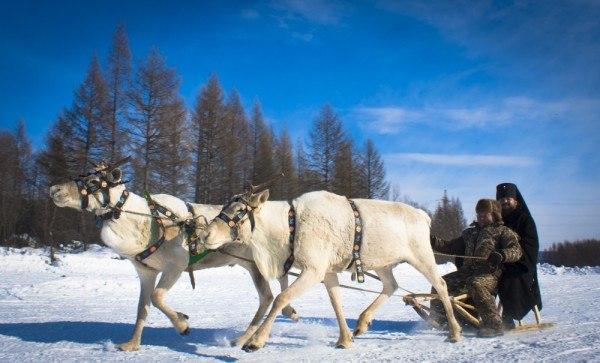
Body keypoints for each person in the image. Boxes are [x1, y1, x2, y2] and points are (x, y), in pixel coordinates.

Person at [430, 199, 522, 337]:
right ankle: (441, 319)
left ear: (494, 214)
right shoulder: (469, 233)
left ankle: (494, 325)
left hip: (490, 275)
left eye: (485, 215)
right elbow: (449, 246)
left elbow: (517, 250)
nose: (481, 218)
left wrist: (501, 254)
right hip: (466, 272)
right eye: (479, 215)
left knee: (476, 283)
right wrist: (429, 239)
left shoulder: (502, 231)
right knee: (440, 283)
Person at [496, 183, 543, 329]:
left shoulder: (525, 220)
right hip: (499, 264)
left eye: (508, 198)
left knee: (509, 279)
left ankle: (507, 317)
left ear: (516, 200)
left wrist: (511, 261)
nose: (504, 201)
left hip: (522, 266)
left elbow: (531, 248)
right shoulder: (498, 222)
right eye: (501, 199)